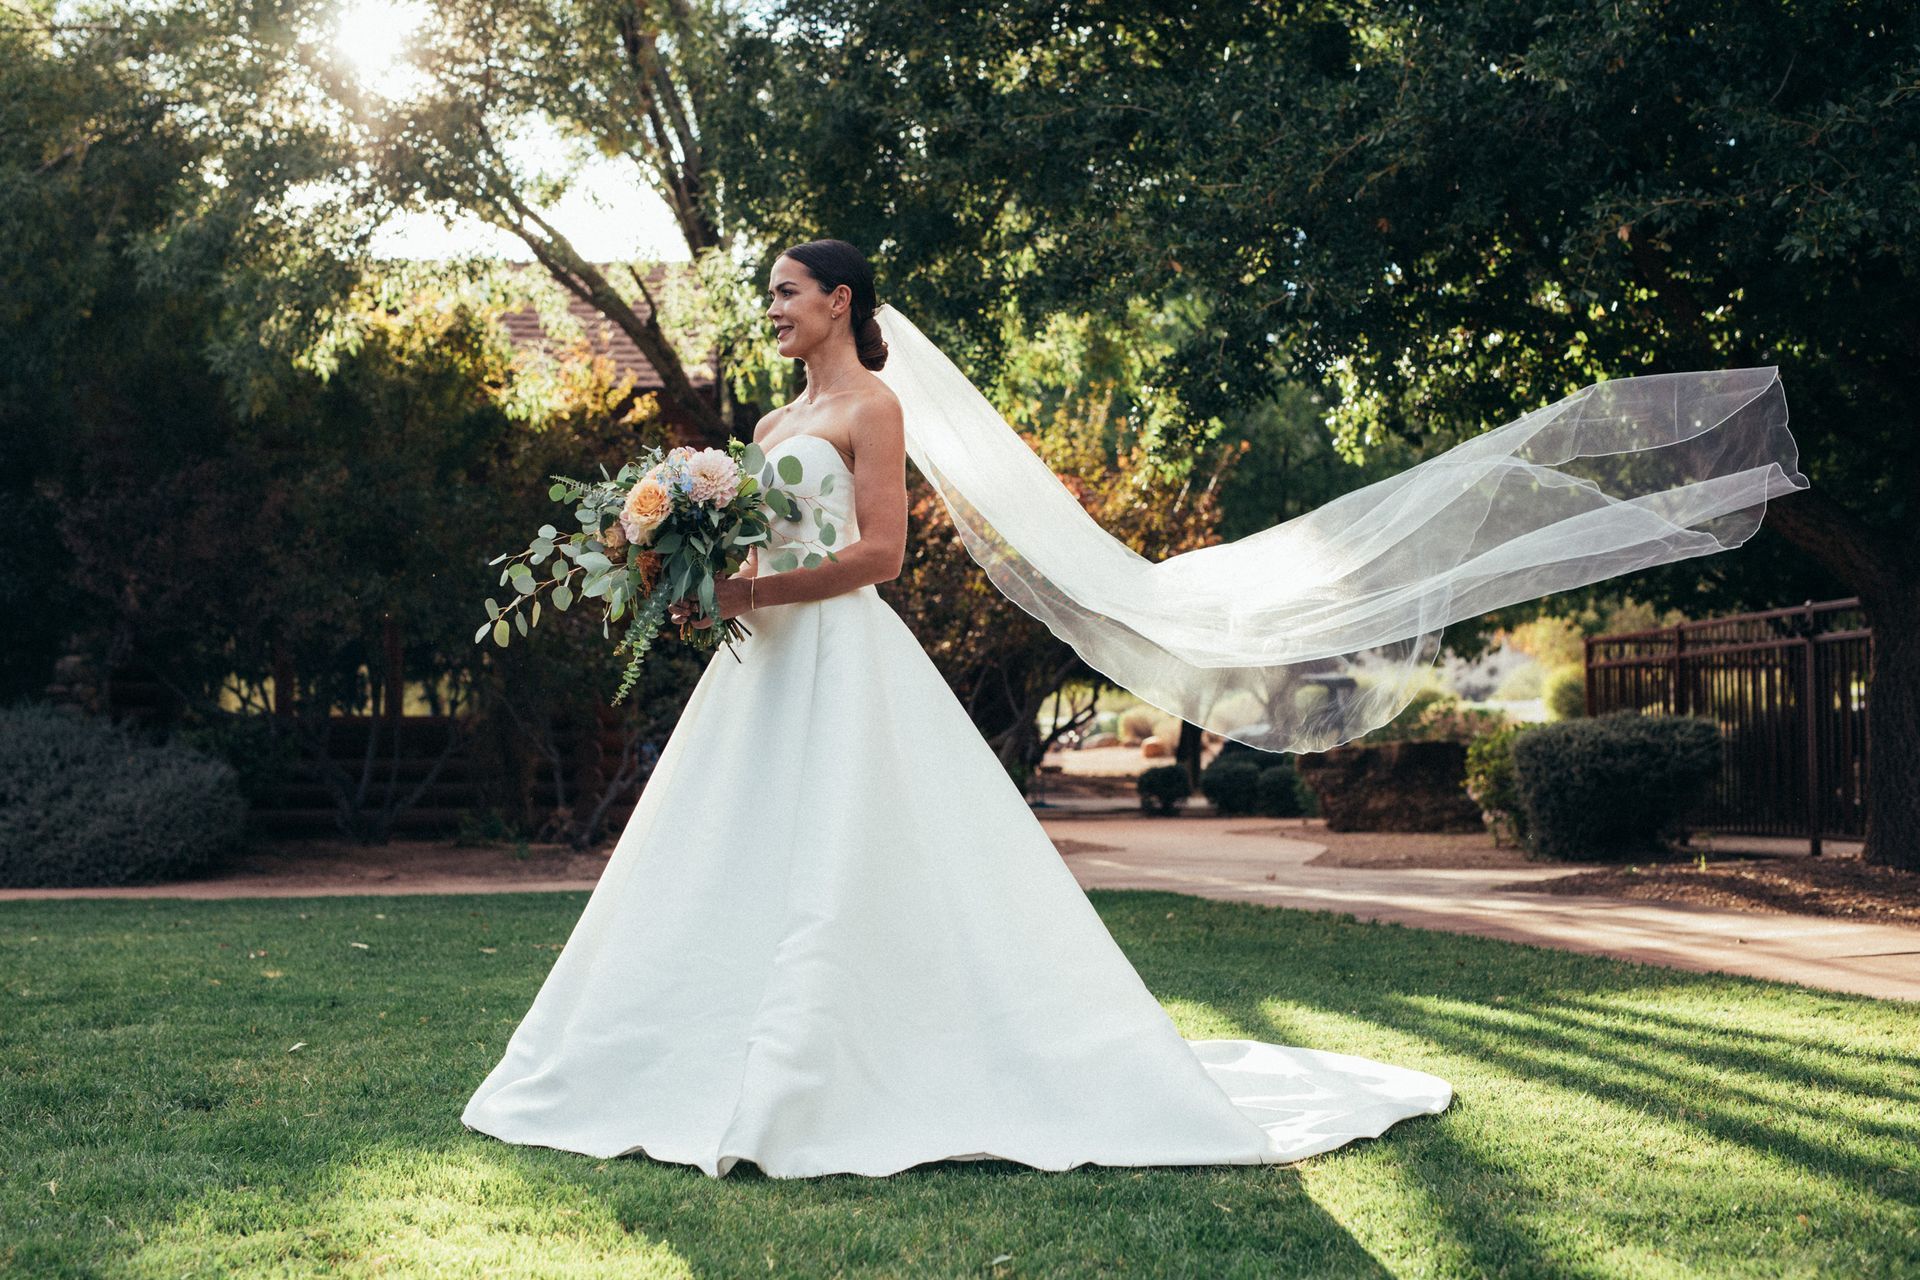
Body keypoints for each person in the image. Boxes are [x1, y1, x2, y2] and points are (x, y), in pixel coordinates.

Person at [460, 239, 1455, 1178]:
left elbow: (881, 556)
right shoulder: (764, 430)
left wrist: (753, 593)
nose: (772, 309)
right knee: (726, 847)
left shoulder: (874, 407)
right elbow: (760, 549)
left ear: (838, 301)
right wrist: (703, 579)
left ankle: (864, 1054)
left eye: (785, 292)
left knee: (854, 850)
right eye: (771, 294)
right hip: (759, 664)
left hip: (842, 655)